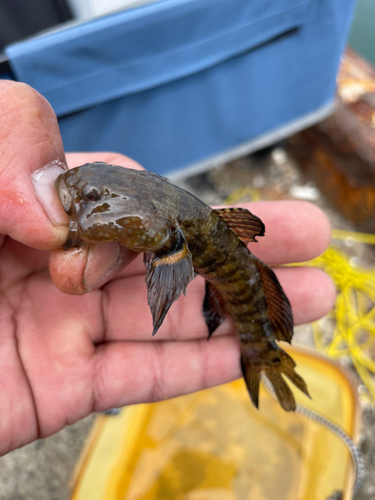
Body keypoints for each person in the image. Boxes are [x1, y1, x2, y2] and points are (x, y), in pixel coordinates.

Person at [0, 80, 335, 456]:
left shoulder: (169, 244)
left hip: (229, 278)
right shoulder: (162, 236)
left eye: (95, 198)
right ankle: (263, 353)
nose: (78, 197)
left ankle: (263, 353)